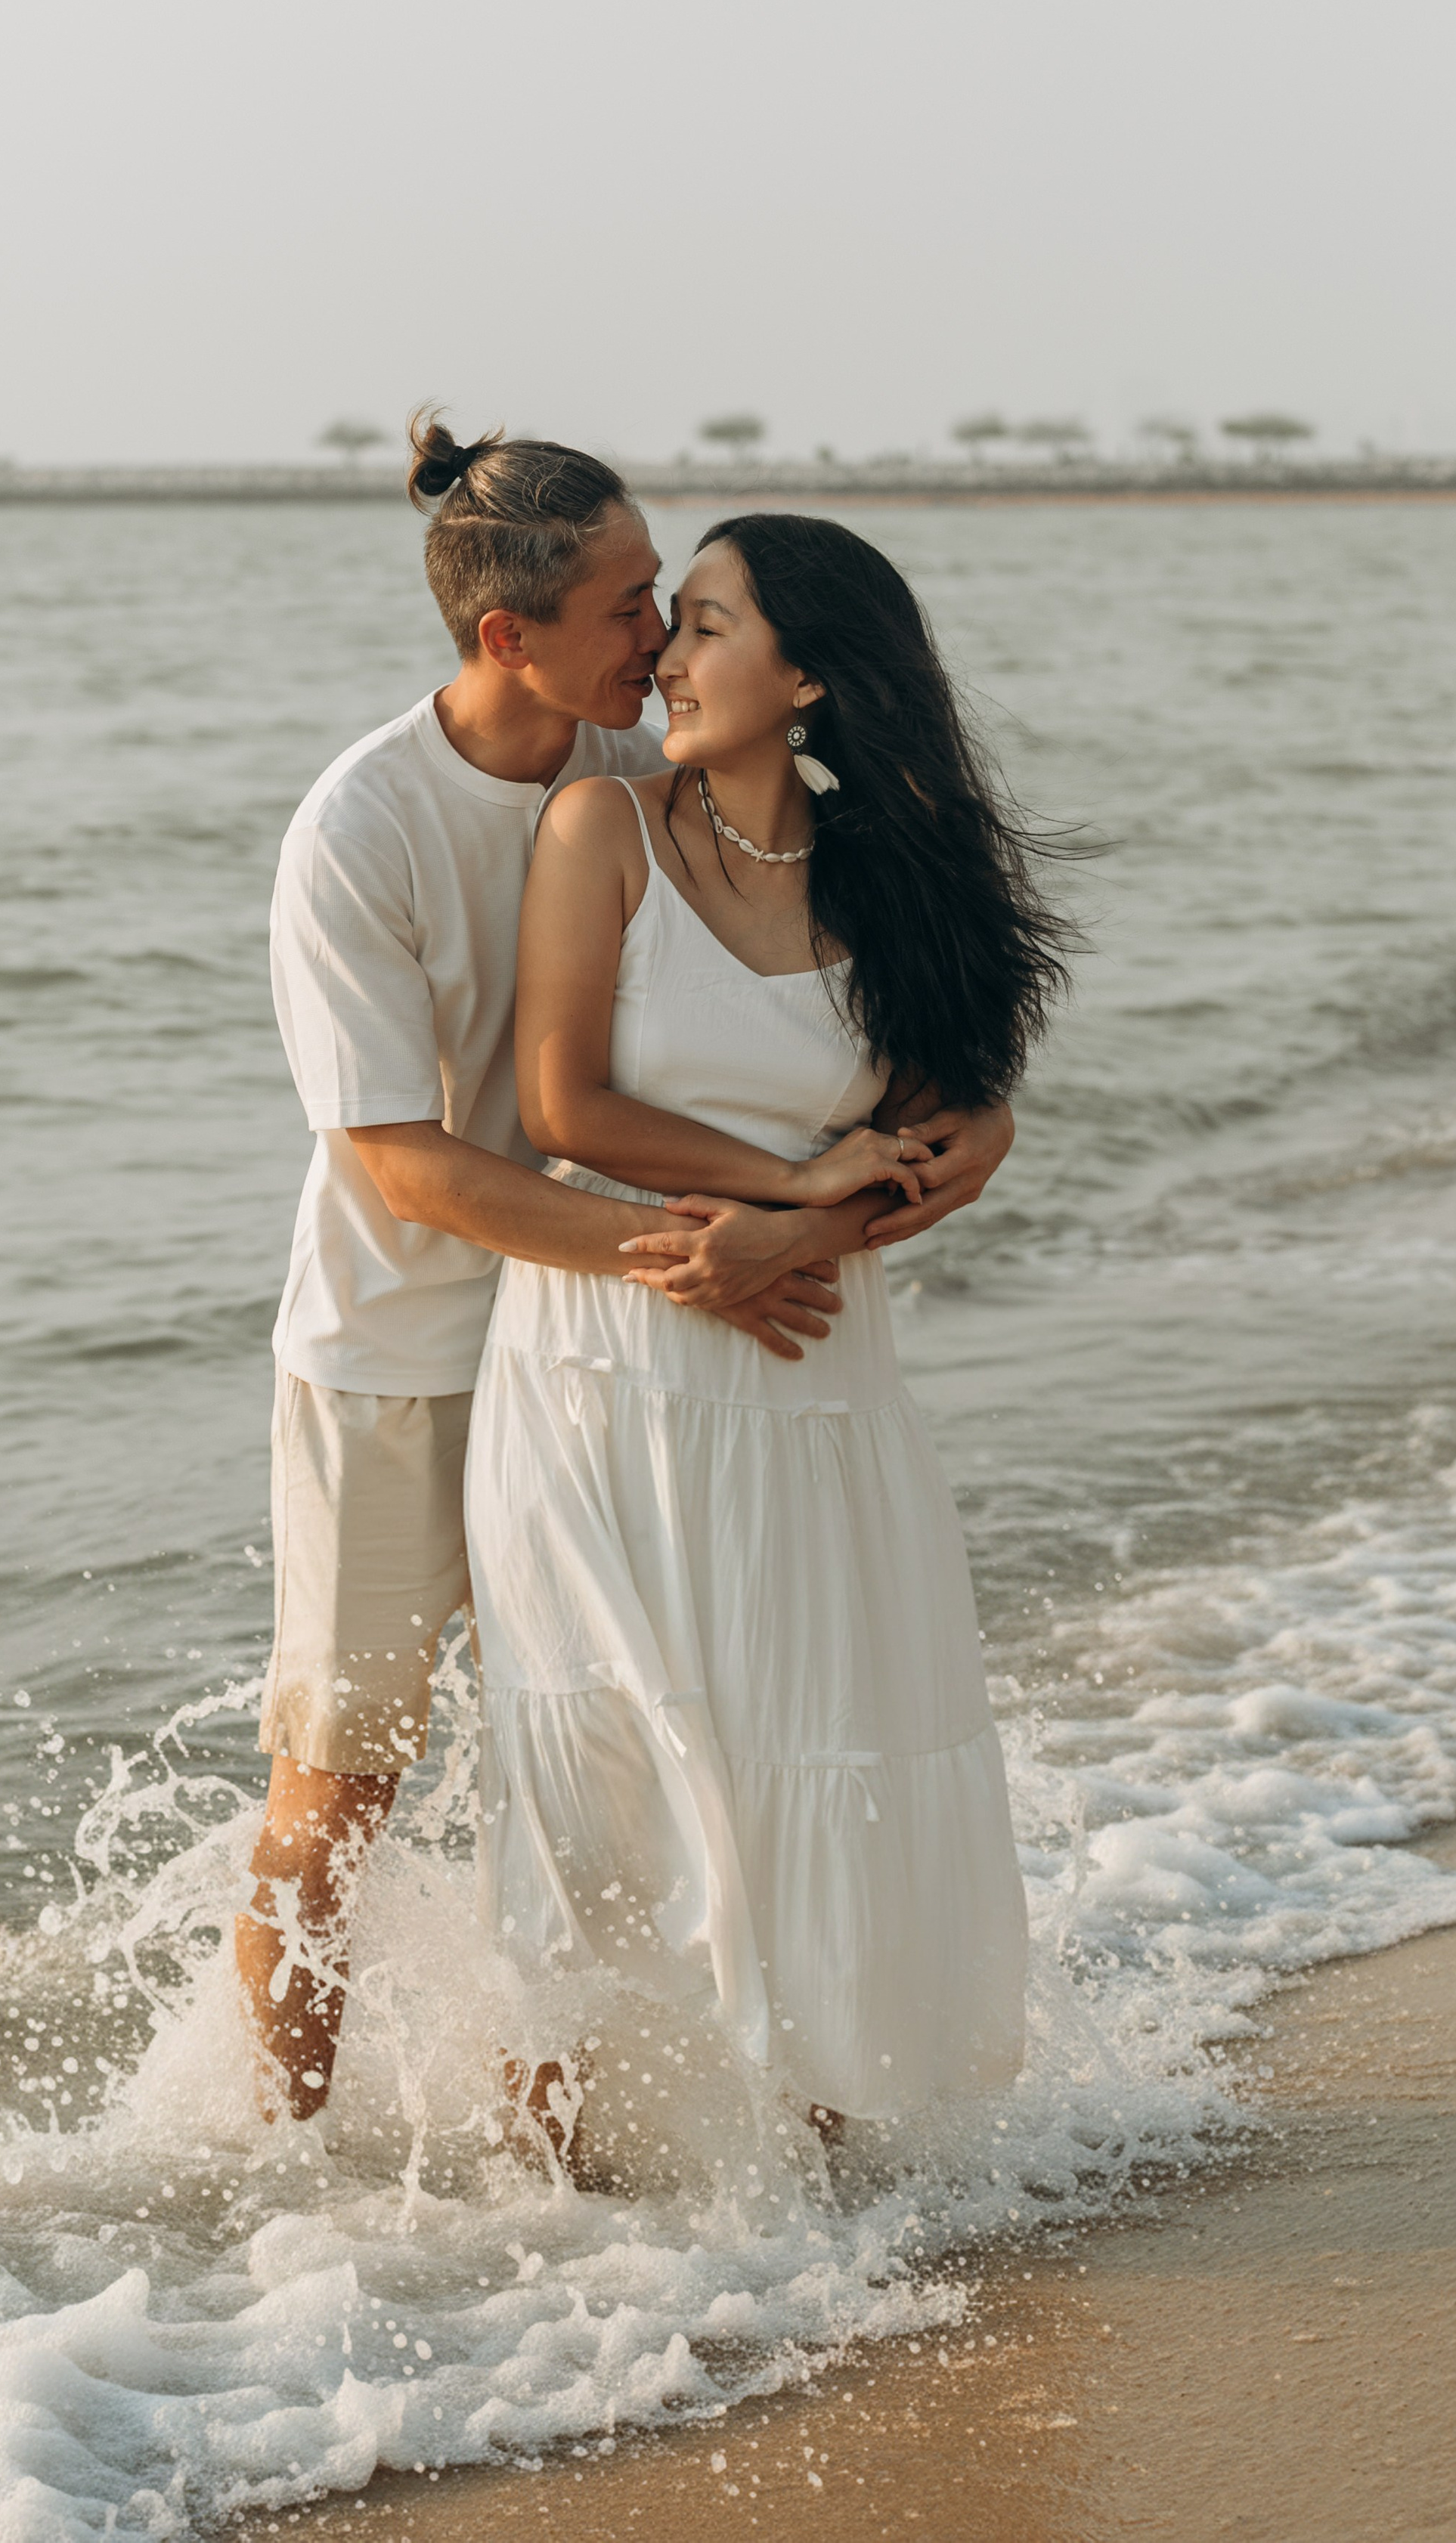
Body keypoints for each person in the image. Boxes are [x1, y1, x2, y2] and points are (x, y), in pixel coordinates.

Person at [237, 430, 1018, 2117]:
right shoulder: (360, 828)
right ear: (506, 636)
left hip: (603, 1354)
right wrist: (713, 1256)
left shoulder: (643, 758)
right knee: (338, 1791)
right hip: (393, 1352)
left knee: (639, 1753)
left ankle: (695, 2113)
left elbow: (866, 996)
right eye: (626, 603)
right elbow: (408, 1162)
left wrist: (933, 1137)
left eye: (673, 597)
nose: (657, 634)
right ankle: (278, 2191)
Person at [466, 511, 1071, 2153]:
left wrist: (796, 1235)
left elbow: (954, 1136)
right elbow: (560, 1101)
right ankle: (550, 2213)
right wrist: (772, 1193)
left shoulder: (901, 873)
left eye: (707, 625)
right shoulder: (597, 828)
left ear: (806, 675)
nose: (662, 655)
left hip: (810, 1375)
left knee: (808, 1754)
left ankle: (806, 2179)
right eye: (668, 623)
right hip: (604, 1361)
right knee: (588, 1767)